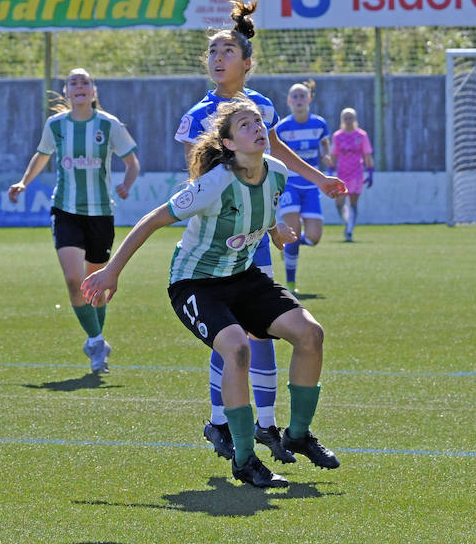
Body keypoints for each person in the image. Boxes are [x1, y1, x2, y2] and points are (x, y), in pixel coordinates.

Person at [82, 98, 342, 488]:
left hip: (243, 276)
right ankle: (244, 459)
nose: (257, 128)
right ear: (231, 144)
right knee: (237, 348)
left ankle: (299, 435)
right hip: (196, 283)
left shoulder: (277, 172)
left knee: (311, 334)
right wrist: (111, 271)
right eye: (244, 125)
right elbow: (153, 218)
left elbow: (263, 209)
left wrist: (275, 230)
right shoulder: (213, 183)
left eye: (258, 121)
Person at [174, 0, 344, 466]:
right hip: (218, 242)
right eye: (211, 53)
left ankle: (269, 426)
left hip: (253, 235)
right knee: (231, 336)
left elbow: (278, 157)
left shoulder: (261, 107)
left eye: (225, 51)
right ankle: (221, 423)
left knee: (265, 333)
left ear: (246, 62)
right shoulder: (200, 114)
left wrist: (318, 180)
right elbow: (198, 179)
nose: (216, 59)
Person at [9, 68, 140, 374]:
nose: (79, 86)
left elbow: (132, 161)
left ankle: (96, 339)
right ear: (66, 92)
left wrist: (128, 184)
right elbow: (41, 155)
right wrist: (24, 182)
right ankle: (96, 341)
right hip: (65, 209)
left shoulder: (109, 125)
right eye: (73, 82)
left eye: (85, 82)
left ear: (93, 91)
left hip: (100, 214)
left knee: (96, 286)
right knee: (73, 280)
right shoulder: (56, 125)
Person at [271, 80, 332, 294]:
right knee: (293, 232)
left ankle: (289, 249)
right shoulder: (283, 127)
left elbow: (325, 144)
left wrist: (327, 155)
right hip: (290, 185)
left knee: (314, 237)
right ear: (289, 101)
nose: (298, 100)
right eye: (294, 96)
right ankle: (290, 284)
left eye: (302, 95)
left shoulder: (319, 124)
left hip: (312, 185)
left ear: (309, 99)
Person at [327, 107, 374, 242]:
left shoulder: (361, 135)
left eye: (350, 118)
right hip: (342, 174)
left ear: (355, 119)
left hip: (356, 173)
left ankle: (349, 231)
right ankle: (347, 221)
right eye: (345, 118)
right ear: (342, 120)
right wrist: (330, 170)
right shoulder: (337, 136)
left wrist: (370, 172)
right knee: (339, 203)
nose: (348, 121)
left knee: (353, 202)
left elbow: (367, 155)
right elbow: (334, 155)